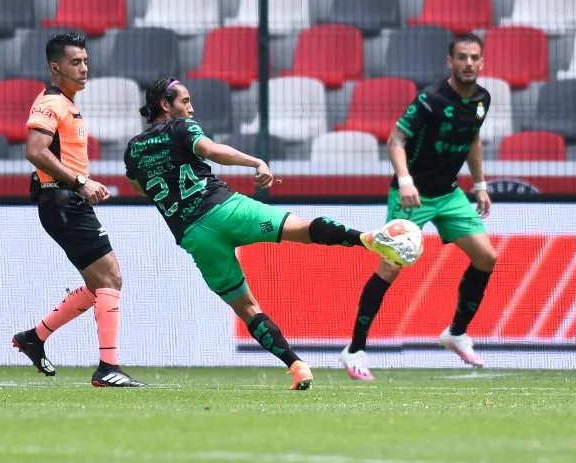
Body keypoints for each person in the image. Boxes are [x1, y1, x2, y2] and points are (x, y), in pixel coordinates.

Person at [123, 76, 419, 390]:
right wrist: (255, 161)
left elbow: (138, 186)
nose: (191, 109)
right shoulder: (181, 128)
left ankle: (297, 366)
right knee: (303, 229)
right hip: (228, 211)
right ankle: (367, 239)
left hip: (196, 236)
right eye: (185, 102)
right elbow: (211, 150)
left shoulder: (133, 150)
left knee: (247, 308)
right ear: (165, 105)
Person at [340, 33, 497, 381]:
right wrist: (405, 179)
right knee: (390, 268)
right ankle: (355, 350)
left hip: (450, 194)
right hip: (412, 195)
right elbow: (396, 139)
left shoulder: (483, 99)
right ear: (450, 61)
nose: (468, 63)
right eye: (462, 57)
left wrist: (481, 185)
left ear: (481, 62)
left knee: (486, 257)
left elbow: (472, 138)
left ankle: (456, 333)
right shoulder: (431, 99)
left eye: (474, 58)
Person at [12, 32, 145, 388]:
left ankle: (34, 337)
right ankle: (108, 367)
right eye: (75, 62)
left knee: (97, 284)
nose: (84, 68)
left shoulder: (66, 103)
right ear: (55, 68)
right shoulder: (50, 104)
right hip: (62, 200)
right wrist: (79, 183)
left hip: (66, 199)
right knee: (111, 278)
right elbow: (36, 151)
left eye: (85, 61)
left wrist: (81, 182)